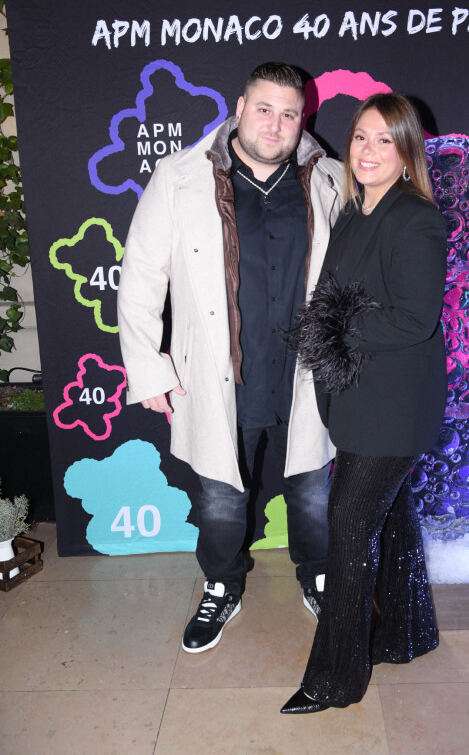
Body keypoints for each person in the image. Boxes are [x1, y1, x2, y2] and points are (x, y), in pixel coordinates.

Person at [117, 62, 344, 654]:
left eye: (289, 113)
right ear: (240, 109)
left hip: (305, 373)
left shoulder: (331, 180)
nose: (276, 124)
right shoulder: (179, 176)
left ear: (304, 120)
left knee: (314, 488)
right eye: (264, 109)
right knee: (220, 494)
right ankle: (221, 583)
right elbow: (141, 275)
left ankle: (317, 573)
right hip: (220, 374)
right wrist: (148, 367)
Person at [281, 92, 448, 713]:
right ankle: (408, 634)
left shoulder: (416, 217)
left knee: (350, 531)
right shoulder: (353, 209)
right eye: (360, 138)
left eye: (385, 140)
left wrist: (334, 327)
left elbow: (414, 319)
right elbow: (331, 291)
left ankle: (334, 679)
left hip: (394, 410)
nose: (369, 151)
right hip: (356, 399)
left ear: (408, 153)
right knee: (393, 519)